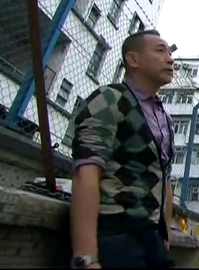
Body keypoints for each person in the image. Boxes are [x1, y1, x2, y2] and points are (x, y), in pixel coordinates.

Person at [69, 30, 176, 269]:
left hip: (152, 237)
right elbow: (86, 171)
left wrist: (165, 235)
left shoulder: (164, 117)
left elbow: (165, 178)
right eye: (160, 51)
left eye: (170, 53)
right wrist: (86, 257)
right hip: (116, 229)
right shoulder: (110, 99)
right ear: (133, 59)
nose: (170, 59)